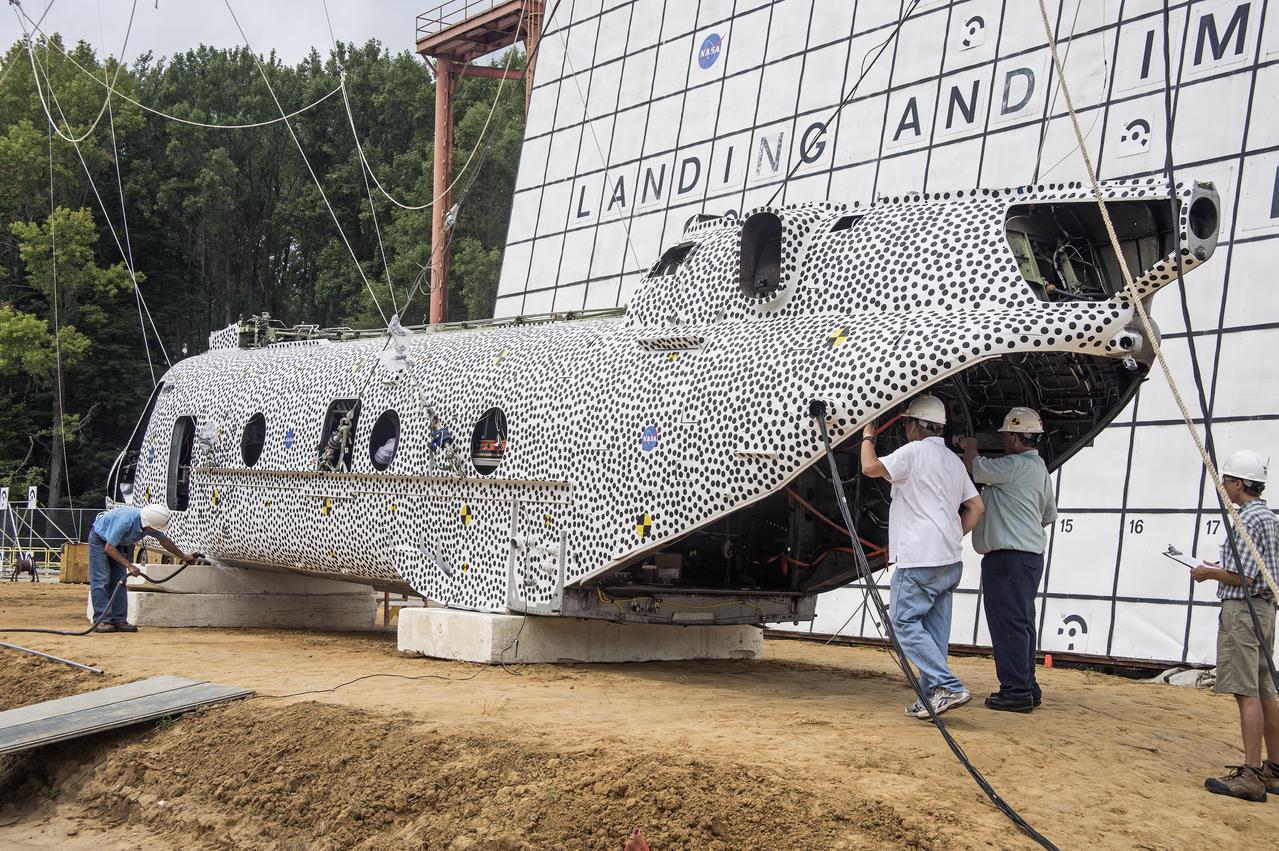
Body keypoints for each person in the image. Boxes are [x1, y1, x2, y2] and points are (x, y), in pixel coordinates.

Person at [862, 394, 985, 718]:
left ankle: (949, 686)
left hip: (919, 558)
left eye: (906, 424)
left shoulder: (914, 452)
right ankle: (931, 695)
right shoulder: (954, 461)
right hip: (948, 559)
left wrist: (867, 435)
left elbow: (869, 467)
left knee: (902, 623)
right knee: (934, 634)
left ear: (914, 425)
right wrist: (951, 534)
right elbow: (976, 507)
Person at [1189, 449, 1279, 802]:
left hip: (1244, 611)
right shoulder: (1266, 516)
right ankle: (1274, 767)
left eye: (1226, 480)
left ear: (1239, 483)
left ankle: (1252, 774)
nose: (1224, 486)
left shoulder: (1245, 519)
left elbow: (1246, 574)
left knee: (1247, 691)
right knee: (1265, 688)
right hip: (1264, 609)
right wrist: (1219, 567)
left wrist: (1209, 572)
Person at [961, 407, 1057, 713]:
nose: (1003, 439)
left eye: (1006, 434)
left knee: (1008, 624)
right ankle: (1027, 685)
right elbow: (1047, 517)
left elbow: (974, 468)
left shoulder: (1013, 465)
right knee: (1022, 622)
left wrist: (970, 446)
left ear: (1016, 437)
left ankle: (1015, 691)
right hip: (1028, 558)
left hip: (1008, 559)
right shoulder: (1039, 468)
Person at [88, 503, 197, 633]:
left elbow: (164, 541)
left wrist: (184, 556)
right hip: (100, 540)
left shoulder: (149, 521)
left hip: (118, 543)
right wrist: (129, 565)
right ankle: (102, 620)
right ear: (149, 525)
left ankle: (119, 620)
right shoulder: (126, 522)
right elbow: (109, 548)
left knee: (120, 581)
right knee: (102, 580)